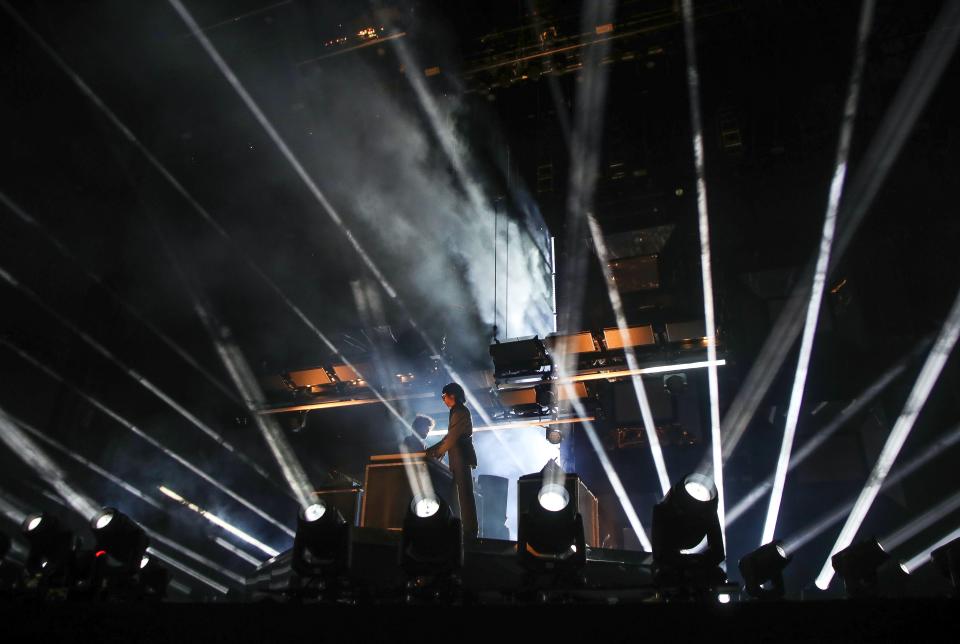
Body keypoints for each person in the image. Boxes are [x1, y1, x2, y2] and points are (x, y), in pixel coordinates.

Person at [426, 382, 478, 539]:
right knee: (459, 495)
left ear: (452, 395)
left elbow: (452, 437)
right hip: (458, 456)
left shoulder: (459, 411)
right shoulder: (457, 411)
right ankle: (465, 529)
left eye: (444, 396)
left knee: (464, 495)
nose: (443, 399)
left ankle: (469, 531)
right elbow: (450, 437)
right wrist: (433, 450)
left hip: (460, 456)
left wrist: (434, 452)